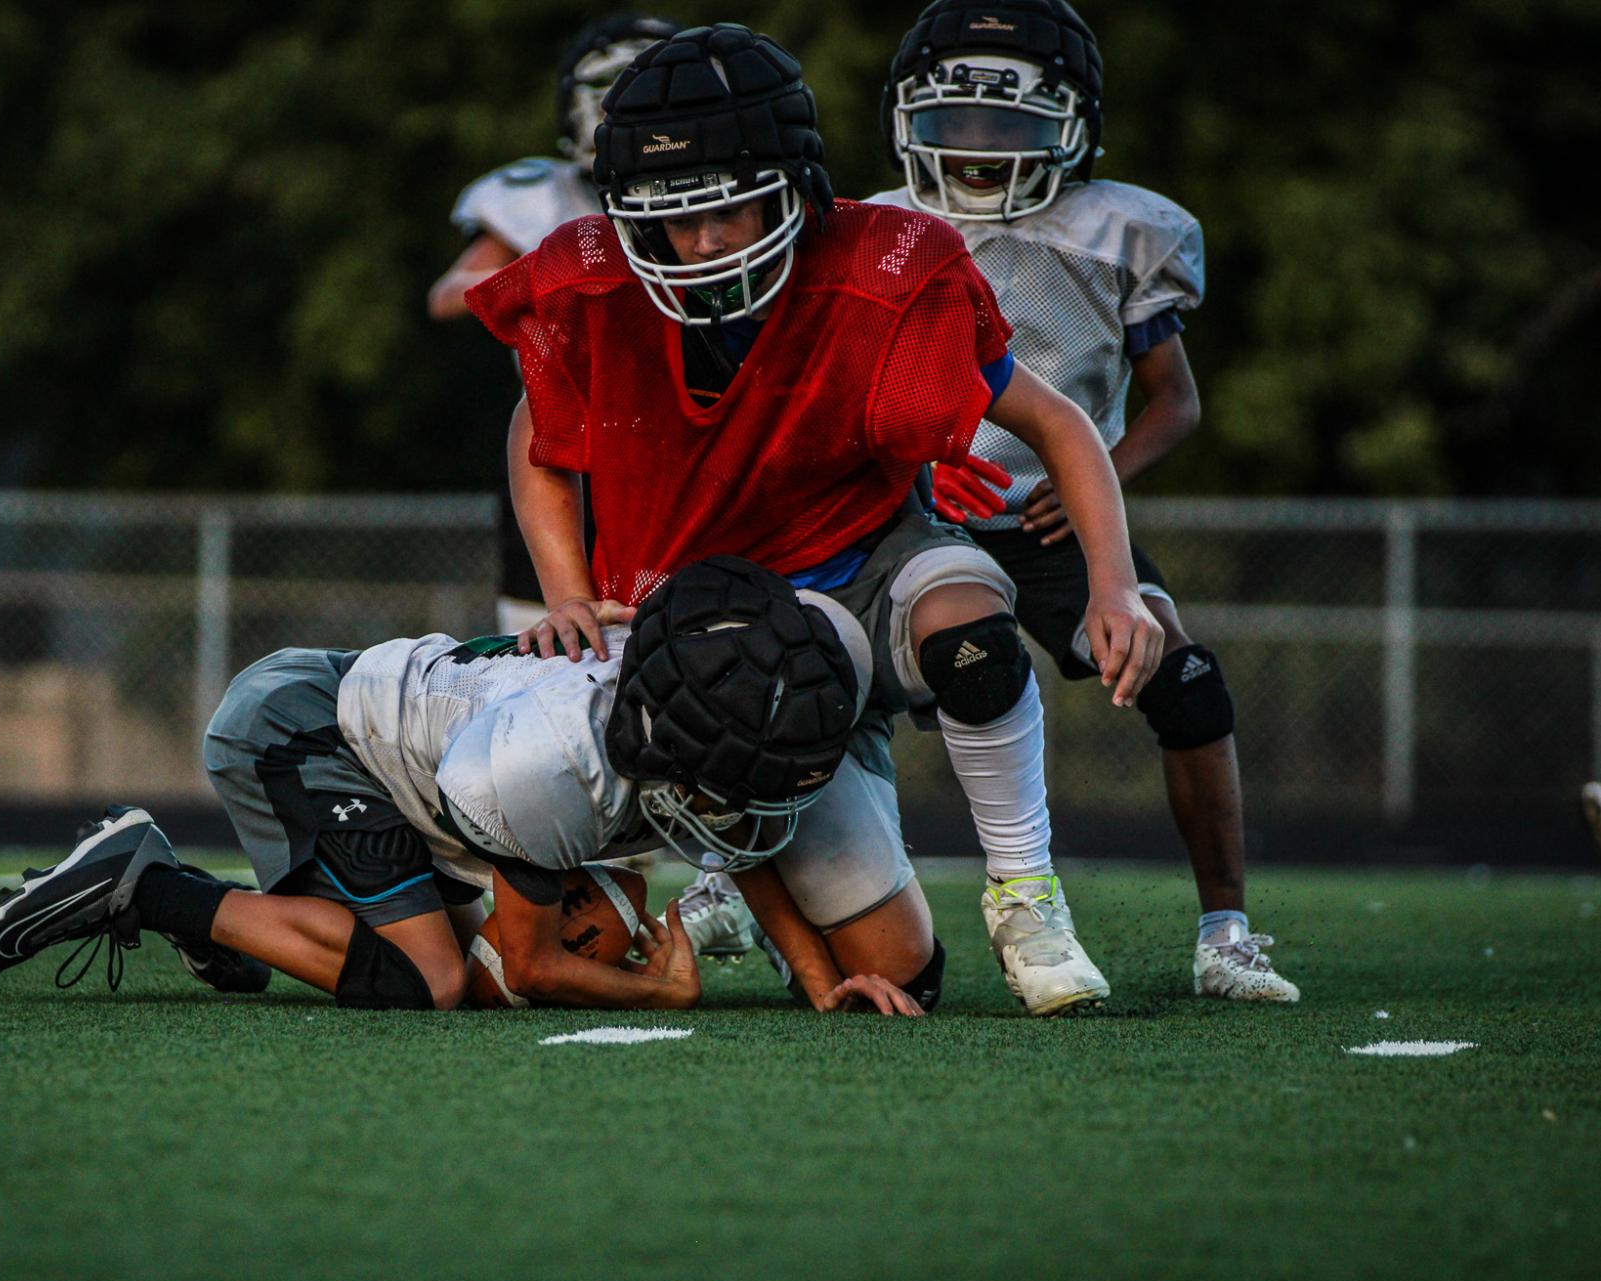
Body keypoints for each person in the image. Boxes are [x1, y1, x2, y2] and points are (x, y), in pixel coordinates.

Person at [469, 23, 1164, 1016]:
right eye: (678, 218)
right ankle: (764, 875)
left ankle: (1027, 890)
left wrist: (1113, 583)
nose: (706, 242)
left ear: (795, 186)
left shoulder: (882, 269)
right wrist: (568, 594)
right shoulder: (594, 282)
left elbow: (1057, 423)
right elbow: (535, 443)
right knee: (903, 973)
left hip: (870, 561)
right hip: (728, 628)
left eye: (734, 208)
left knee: (970, 629)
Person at [0, 558, 925, 1014]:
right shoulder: (551, 772)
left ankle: (225, 925)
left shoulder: (693, 699)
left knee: (562, 917)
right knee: (436, 982)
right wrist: (658, 993)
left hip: (414, 757)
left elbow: (742, 818)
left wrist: (821, 982)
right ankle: (145, 881)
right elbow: (535, 966)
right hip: (308, 734)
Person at [870, 0, 1298, 1002]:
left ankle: (1225, 930)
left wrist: (1091, 475)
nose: (978, 148)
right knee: (812, 676)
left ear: (1071, 126)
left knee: (1187, 681)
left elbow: (1174, 403)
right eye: (956, 122)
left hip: (1046, 518)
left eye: (1008, 124)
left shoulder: (1120, 230)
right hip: (913, 513)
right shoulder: (877, 228)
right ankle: (730, 880)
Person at [428, 12, 678, 638]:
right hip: (559, 448)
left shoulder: (712, 200)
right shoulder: (544, 198)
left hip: (677, 443)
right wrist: (545, 279)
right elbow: (447, 294)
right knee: (544, 645)